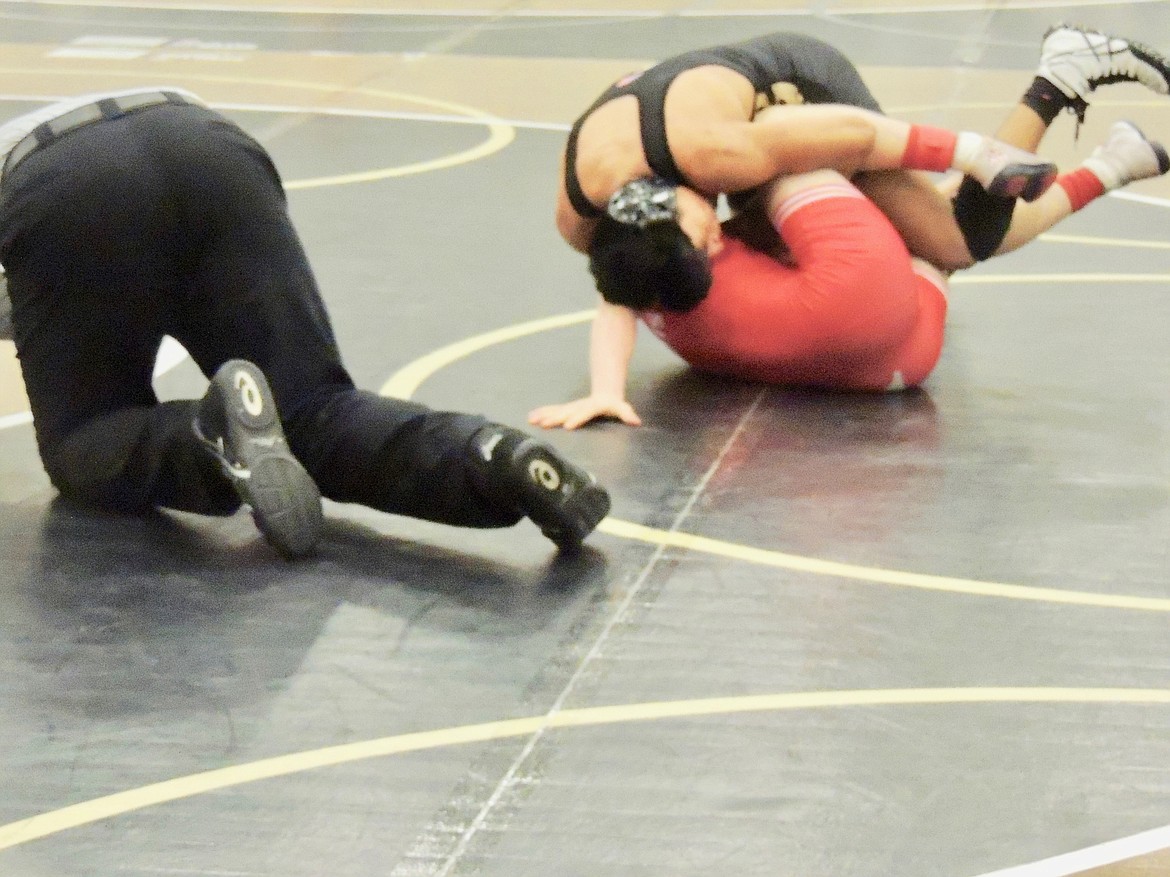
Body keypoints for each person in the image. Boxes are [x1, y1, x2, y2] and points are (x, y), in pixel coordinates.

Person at [0, 87, 611, 558]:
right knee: (312, 408)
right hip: (208, 145)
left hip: (69, 188)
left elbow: (43, 312)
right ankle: (492, 458)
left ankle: (211, 434)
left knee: (85, 440)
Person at [530, 24, 1170, 429]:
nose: (719, 238)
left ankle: (1058, 83)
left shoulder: (718, 154)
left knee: (955, 238)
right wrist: (605, 392)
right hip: (727, 123)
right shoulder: (586, 218)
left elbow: (866, 139)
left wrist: (975, 152)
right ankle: (1106, 146)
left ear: (669, 202)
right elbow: (622, 286)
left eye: (706, 235)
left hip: (801, 86)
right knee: (922, 225)